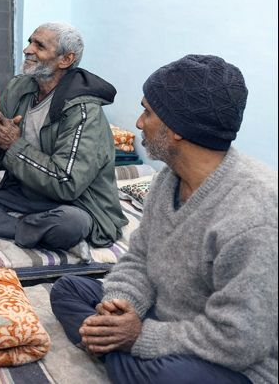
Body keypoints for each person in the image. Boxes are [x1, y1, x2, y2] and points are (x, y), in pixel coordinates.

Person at [50, 55, 278, 384]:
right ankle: (117, 354)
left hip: (234, 364)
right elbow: (139, 257)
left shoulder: (254, 213)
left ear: (177, 129)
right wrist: (120, 306)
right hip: (164, 316)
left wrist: (139, 338)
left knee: (169, 376)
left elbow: (239, 341)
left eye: (148, 112)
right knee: (67, 289)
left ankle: (113, 353)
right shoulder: (166, 179)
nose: (139, 123)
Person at [0, 22, 127, 251]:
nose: (27, 50)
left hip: (77, 203)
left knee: (71, 224)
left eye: (39, 45)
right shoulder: (19, 87)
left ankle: (20, 227)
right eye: (30, 42)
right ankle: (26, 228)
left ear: (66, 59)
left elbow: (67, 183)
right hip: (23, 194)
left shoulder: (83, 111)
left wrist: (13, 144)